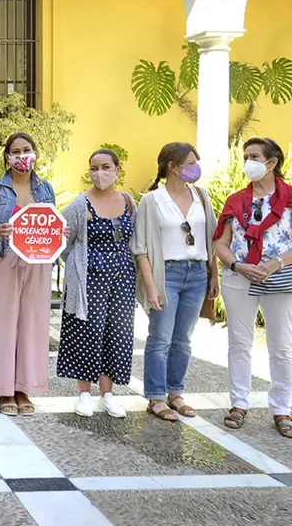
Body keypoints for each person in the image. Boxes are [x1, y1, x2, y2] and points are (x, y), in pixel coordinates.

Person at [132, 142, 218, 422]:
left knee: (183, 339)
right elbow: (141, 249)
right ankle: (156, 397)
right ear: (172, 167)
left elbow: (212, 240)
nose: (196, 167)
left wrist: (214, 275)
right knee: (161, 338)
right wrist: (151, 286)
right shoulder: (152, 200)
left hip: (197, 274)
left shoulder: (201, 196)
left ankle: (176, 393)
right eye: (190, 163)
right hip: (166, 273)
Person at [213, 138, 292, 438]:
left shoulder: (290, 197)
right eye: (246, 156)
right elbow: (221, 243)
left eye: (255, 156)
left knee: (282, 344)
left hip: (279, 278)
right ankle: (239, 404)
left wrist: (275, 264)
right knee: (239, 342)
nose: (248, 162)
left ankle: (282, 407)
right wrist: (238, 265)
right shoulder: (235, 201)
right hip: (239, 279)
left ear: (272, 163)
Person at [0, 132, 55, 415]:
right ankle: (4, 390)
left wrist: (60, 232)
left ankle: (24, 389)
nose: (22, 156)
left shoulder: (45, 189)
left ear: (35, 153)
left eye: (27, 150)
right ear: (8, 157)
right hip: (4, 259)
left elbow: (51, 222)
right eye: (17, 151)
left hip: (38, 263)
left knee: (33, 324)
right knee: (2, 324)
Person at [57, 149, 136, 419]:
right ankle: (84, 395)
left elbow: (133, 238)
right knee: (88, 331)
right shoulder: (80, 204)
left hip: (122, 278)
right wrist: (80, 264)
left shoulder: (128, 202)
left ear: (117, 170)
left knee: (116, 333)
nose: (99, 173)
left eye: (105, 167)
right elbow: (63, 242)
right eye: (94, 168)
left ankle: (108, 395)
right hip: (89, 278)